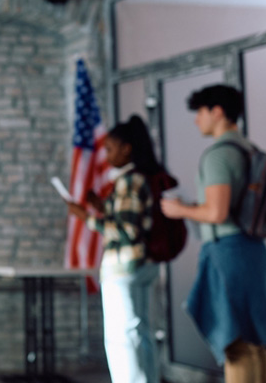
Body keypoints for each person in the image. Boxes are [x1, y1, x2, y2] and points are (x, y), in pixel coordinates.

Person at [161, 84, 266, 383]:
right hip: (254, 251)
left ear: (217, 112)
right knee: (256, 344)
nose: (196, 120)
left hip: (229, 253)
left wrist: (181, 210)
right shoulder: (249, 149)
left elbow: (217, 213)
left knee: (236, 345)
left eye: (200, 112)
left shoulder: (218, 155)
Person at [67, 115, 173, 383]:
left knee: (122, 340)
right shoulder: (142, 178)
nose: (107, 155)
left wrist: (85, 217)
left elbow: (126, 231)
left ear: (127, 148)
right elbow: (130, 220)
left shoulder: (130, 180)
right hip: (142, 265)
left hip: (126, 268)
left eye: (111, 149)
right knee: (140, 334)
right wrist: (101, 207)